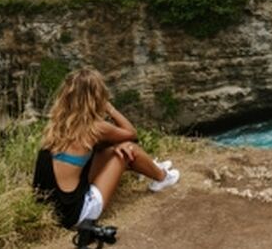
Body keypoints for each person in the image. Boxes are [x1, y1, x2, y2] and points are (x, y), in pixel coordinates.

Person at [32, 67, 180, 229]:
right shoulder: (94, 128)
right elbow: (132, 134)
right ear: (96, 98)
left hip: (53, 210)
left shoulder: (56, 125)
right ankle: (162, 177)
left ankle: (149, 167)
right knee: (128, 149)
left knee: (110, 149)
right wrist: (109, 108)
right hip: (77, 215)